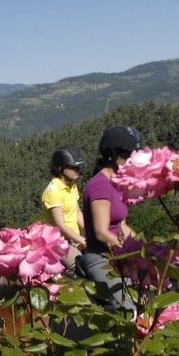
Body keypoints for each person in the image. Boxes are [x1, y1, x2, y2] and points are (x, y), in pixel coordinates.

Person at [77, 125, 141, 316]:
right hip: (100, 258)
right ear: (113, 155)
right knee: (127, 309)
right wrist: (127, 252)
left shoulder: (115, 185)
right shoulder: (100, 185)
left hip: (117, 255)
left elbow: (121, 225)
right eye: (127, 155)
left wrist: (144, 246)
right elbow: (101, 231)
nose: (131, 160)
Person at [41, 147, 86, 273]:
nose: (77, 170)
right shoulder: (53, 192)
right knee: (82, 268)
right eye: (73, 167)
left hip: (74, 238)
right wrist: (81, 239)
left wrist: (92, 233)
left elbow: (78, 213)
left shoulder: (71, 186)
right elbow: (60, 225)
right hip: (60, 243)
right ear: (61, 168)